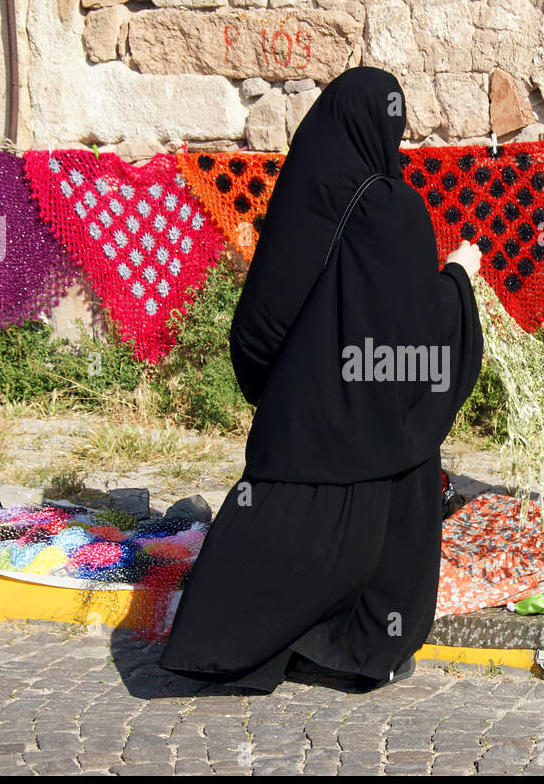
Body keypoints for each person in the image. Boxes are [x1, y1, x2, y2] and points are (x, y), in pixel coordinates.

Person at [159, 66, 484, 693]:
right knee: (399, 491)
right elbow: (417, 324)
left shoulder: (301, 193)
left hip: (302, 419)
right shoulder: (394, 207)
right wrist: (458, 279)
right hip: (375, 418)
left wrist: (276, 389)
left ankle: (246, 644)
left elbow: (264, 315)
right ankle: (361, 649)